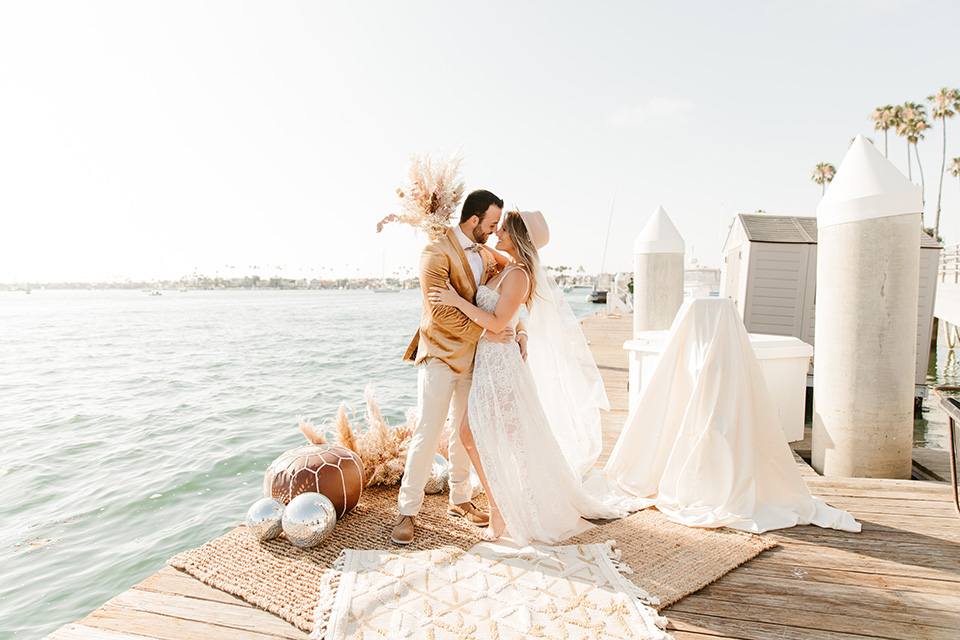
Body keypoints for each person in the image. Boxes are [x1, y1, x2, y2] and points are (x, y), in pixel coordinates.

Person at [429, 210, 636, 545]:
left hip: (503, 366)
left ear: (518, 237)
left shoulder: (519, 276)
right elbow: (476, 247)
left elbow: (497, 323)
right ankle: (504, 506)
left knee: (505, 438)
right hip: (486, 364)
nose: (497, 234)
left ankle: (511, 509)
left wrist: (455, 301)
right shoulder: (504, 264)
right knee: (482, 435)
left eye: (504, 230)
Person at [392, 190, 527, 545]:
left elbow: (507, 297)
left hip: (476, 359)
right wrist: (488, 331)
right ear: (473, 221)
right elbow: (440, 312)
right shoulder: (434, 253)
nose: (496, 231)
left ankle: (460, 499)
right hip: (439, 354)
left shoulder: (485, 252)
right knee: (428, 430)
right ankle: (407, 510)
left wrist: (519, 329)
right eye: (492, 224)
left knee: (466, 432)